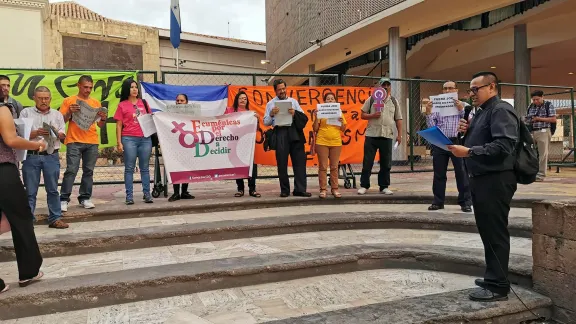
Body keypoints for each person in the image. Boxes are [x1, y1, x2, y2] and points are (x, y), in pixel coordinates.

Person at [447, 71, 519, 302]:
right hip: (481, 178)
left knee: (495, 232)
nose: (471, 94)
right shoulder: (481, 113)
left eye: (475, 89)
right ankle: (492, 277)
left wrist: (469, 151)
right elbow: (482, 141)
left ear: (492, 87)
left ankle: (498, 286)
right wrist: (466, 135)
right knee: (487, 231)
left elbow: (504, 146)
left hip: (495, 180)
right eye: (470, 90)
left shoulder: (501, 110)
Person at [0, 93, 45, 294]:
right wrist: (37, 145)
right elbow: (11, 139)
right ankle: (28, 270)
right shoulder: (2, 109)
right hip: (3, 171)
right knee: (21, 217)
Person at [20, 87, 69, 229]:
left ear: (50, 99)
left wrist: (58, 134)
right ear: (34, 98)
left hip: (51, 155)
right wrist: (35, 133)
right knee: (30, 190)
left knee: (53, 189)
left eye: (46, 98)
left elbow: (62, 134)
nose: (43, 101)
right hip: (31, 156)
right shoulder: (25, 113)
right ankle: (28, 220)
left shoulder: (57, 114)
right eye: (40, 98)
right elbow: (20, 135)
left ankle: (55, 218)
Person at [59, 75, 107, 211]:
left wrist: (103, 118)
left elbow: (101, 125)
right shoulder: (69, 100)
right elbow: (60, 120)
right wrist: (69, 111)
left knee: (89, 171)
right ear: (78, 85)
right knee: (71, 170)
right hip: (74, 140)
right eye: (85, 87)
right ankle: (64, 199)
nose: (88, 90)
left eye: (90, 87)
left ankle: (85, 197)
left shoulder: (96, 103)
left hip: (92, 141)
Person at [424, 81, 472, 212]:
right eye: (445, 88)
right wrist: (428, 113)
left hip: (457, 140)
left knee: (461, 172)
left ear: (456, 90)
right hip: (440, 141)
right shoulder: (436, 106)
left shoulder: (464, 105)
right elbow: (431, 126)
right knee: (439, 173)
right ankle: (438, 201)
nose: (447, 91)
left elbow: (470, 121)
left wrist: (461, 110)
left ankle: (465, 202)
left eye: (450, 88)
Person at [263, 79, 311, 198]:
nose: (282, 91)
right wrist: (271, 114)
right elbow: (266, 122)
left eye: (283, 88)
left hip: (295, 132)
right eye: (279, 89)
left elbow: (303, 117)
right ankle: (284, 190)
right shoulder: (270, 104)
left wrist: (294, 113)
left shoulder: (293, 102)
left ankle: (300, 189)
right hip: (280, 132)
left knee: (299, 162)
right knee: (282, 162)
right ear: (275, 91)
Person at [358, 80, 402, 195]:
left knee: (386, 163)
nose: (386, 87)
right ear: (379, 87)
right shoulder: (372, 99)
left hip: (387, 135)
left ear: (390, 87)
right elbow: (362, 114)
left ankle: (384, 186)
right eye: (383, 85)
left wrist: (399, 135)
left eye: (388, 85)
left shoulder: (393, 101)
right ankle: (364, 185)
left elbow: (398, 118)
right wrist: (372, 115)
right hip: (372, 135)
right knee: (367, 162)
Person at [114, 79, 154, 205]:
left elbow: (150, 119)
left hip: (145, 139)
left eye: (136, 87)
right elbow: (119, 125)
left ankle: (147, 194)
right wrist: (119, 142)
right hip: (129, 139)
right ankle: (129, 196)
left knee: (145, 168)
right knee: (129, 168)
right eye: (131, 87)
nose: (135, 89)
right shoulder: (122, 105)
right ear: (127, 89)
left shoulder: (144, 103)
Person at [226, 91, 261, 198]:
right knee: (238, 165)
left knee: (251, 165)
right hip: (235, 143)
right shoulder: (230, 111)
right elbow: (224, 124)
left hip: (248, 143)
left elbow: (256, 129)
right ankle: (240, 189)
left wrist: (257, 120)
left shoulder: (250, 113)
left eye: (245, 98)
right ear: (236, 99)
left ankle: (252, 189)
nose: (242, 100)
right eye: (240, 98)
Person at [313, 92, 346, 198]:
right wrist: (315, 117)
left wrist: (341, 122)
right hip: (322, 141)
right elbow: (315, 129)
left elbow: (343, 129)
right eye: (328, 99)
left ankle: (334, 189)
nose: (330, 100)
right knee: (323, 166)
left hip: (336, 142)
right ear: (324, 101)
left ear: (335, 101)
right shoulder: (320, 112)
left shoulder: (339, 112)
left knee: (334, 167)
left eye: (332, 99)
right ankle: (323, 189)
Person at [525, 90, 556, 182]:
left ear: (542, 97)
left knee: (543, 154)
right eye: (533, 100)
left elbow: (553, 119)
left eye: (537, 99)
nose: (535, 102)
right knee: (529, 152)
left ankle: (541, 175)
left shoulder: (548, 105)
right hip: (532, 131)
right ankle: (530, 172)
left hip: (544, 131)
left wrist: (539, 119)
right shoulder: (531, 106)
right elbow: (528, 118)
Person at [168, 93, 195, 202]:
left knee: (186, 167)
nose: (179, 102)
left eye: (181, 101)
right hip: (175, 144)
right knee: (176, 167)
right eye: (177, 101)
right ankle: (176, 193)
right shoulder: (170, 115)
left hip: (188, 143)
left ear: (186, 102)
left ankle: (184, 192)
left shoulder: (192, 114)